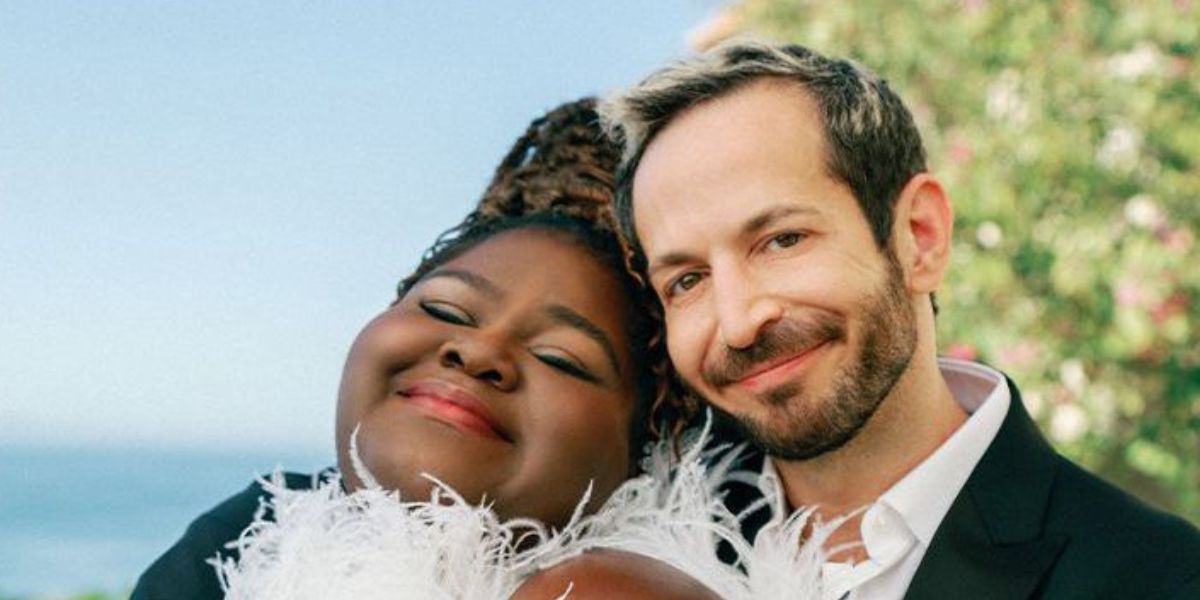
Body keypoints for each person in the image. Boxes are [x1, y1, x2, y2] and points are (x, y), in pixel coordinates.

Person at [600, 38, 1200, 599]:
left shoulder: (1160, 576)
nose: (738, 323)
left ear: (920, 236)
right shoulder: (634, 563)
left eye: (782, 240)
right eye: (687, 280)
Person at [130, 99, 728, 600]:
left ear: (651, 445)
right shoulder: (249, 537)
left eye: (560, 358)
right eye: (442, 309)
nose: (477, 352)